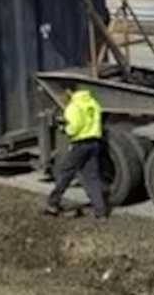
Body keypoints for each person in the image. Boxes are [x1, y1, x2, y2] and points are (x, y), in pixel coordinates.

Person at [44, 87, 108, 220]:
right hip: (94, 143)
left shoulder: (73, 107)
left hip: (80, 145)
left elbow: (73, 129)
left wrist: (64, 128)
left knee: (65, 173)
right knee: (92, 178)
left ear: (69, 92)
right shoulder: (92, 103)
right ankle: (101, 212)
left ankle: (52, 204)